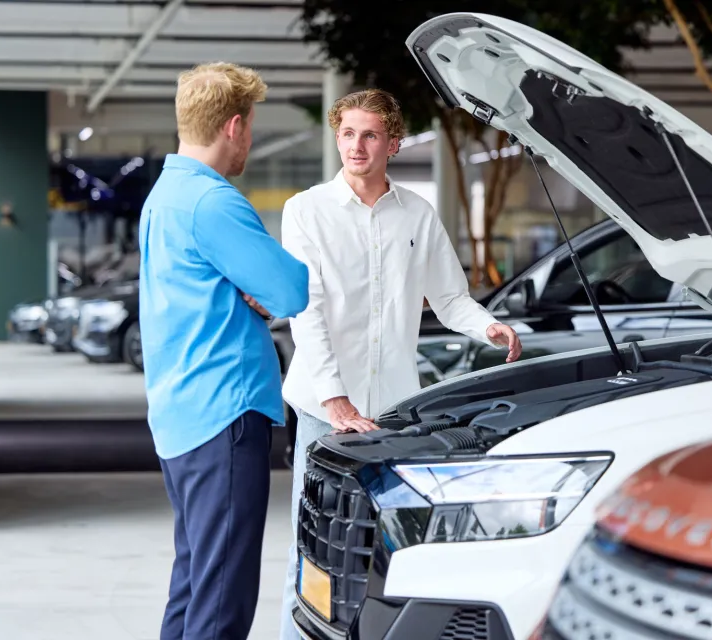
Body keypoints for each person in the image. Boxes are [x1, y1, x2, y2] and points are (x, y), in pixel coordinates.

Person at [277, 88, 522, 637]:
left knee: (388, 555)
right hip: (324, 413)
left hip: (392, 412)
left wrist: (490, 325)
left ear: (393, 143)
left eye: (369, 135)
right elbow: (306, 311)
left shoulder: (417, 213)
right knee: (316, 551)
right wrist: (335, 398)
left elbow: (450, 296)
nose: (356, 146)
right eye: (347, 134)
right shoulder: (306, 210)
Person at [138, 62, 310, 640]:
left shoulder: (165, 196)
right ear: (234, 126)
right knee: (222, 602)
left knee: (194, 587)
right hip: (224, 415)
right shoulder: (213, 202)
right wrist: (260, 286)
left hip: (182, 413)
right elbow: (290, 289)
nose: (250, 140)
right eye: (252, 126)